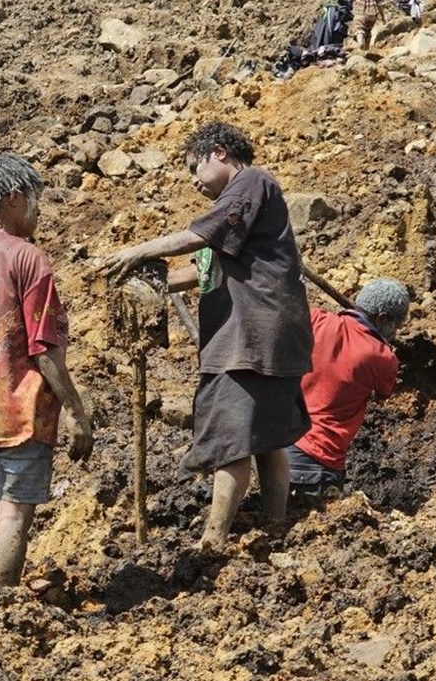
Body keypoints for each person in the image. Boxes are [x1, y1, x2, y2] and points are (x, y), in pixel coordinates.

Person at [98, 122, 312, 550]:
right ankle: (274, 525)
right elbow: (201, 272)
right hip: (268, 336)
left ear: (219, 153)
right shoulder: (245, 210)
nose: (194, 181)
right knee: (267, 439)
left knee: (233, 441)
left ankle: (212, 542)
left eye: (196, 168)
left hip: (251, 338)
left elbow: (200, 235)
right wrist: (147, 281)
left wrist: (140, 250)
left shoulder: (251, 181)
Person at [0, 153, 93, 608]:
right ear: (12, 198)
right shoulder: (28, 259)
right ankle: (1, 613)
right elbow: (44, 348)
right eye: (34, 199)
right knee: (12, 515)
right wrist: (78, 414)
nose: (38, 210)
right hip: (16, 412)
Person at [288, 279, 409, 501]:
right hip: (317, 463)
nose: (396, 332)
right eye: (396, 325)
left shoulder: (316, 318)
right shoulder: (381, 357)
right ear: (383, 319)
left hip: (276, 448)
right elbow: (384, 393)